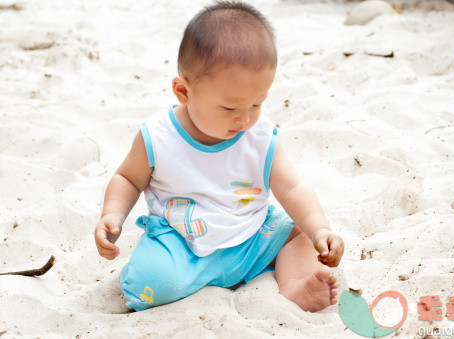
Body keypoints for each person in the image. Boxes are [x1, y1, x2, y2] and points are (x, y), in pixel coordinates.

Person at [94, 0, 344, 313]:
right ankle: (194, 277)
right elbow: (128, 178)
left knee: (300, 235)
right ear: (183, 92)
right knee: (149, 280)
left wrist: (320, 229)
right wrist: (113, 214)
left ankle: (294, 287)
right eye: (230, 108)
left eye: (256, 104)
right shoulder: (158, 137)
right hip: (183, 245)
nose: (244, 120)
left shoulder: (260, 137)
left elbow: (292, 189)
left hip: (253, 236)